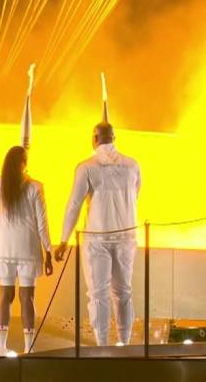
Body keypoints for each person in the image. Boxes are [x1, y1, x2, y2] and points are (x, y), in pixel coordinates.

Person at [55, 122, 141, 346]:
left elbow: (74, 204)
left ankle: (102, 343)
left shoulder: (86, 167)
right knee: (123, 292)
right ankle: (124, 341)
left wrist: (64, 239)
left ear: (94, 138)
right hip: (126, 236)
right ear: (114, 137)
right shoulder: (133, 165)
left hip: (97, 238)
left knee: (98, 293)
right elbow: (136, 194)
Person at [0, 146, 53, 355]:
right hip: (27, 248)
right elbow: (42, 223)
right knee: (27, 297)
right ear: (24, 163)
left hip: (4, 247)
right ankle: (28, 347)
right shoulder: (36, 187)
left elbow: (8, 178)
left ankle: (1, 346)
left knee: (4, 296)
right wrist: (48, 250)